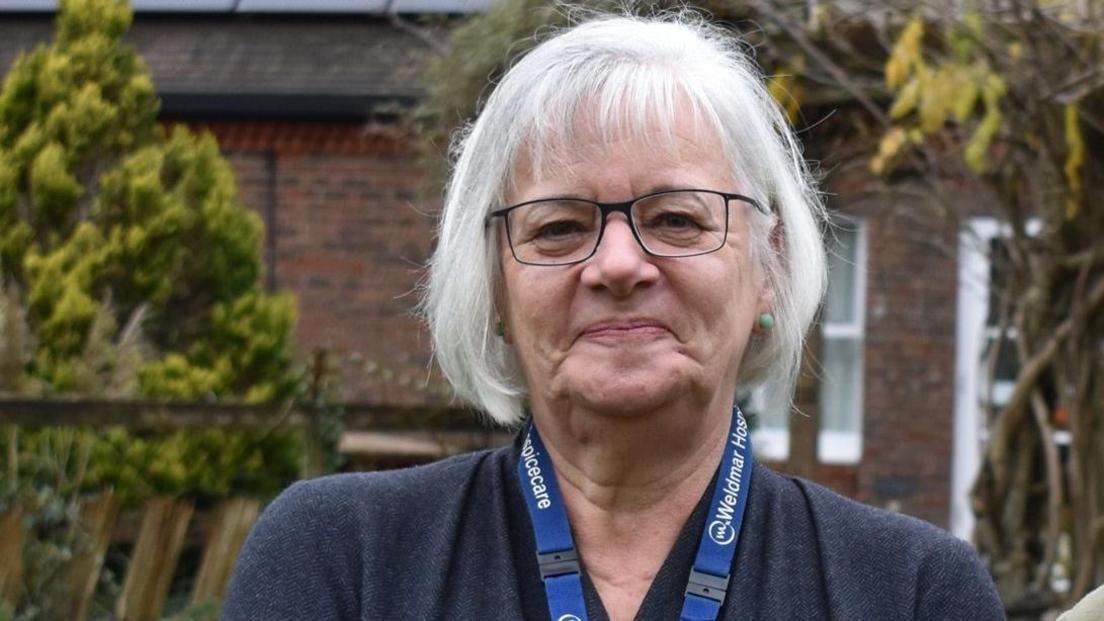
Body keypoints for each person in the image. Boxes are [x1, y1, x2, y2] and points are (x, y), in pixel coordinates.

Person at [222, 12, 1005, 620]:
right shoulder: (341, 561)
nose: (619, 265)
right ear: (493, 286)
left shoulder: (912, 591)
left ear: (770, 266)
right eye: (558, 227)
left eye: (677, 220)